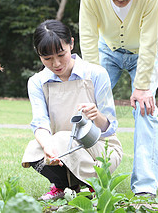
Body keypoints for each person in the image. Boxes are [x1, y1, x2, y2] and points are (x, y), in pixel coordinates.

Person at [79, 0, 158, 197]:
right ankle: (84, 177)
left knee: (146, 109)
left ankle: (145, 187)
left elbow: (150, 41)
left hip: (144, 53)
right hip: (107, 50)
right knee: (87, 104)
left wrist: (142, 86)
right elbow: (87, 35)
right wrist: (91, 83)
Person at [21, 19, 123, 201]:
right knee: (34, 149)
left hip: (100, 148)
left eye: (61, 54)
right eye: (47, 59)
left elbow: (110, 127)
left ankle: (95, 184)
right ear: (38, 55)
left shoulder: (96, 74)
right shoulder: (37, 82)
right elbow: (40, 123)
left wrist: (97, 115)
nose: (56, 63)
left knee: (59, 138)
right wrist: (47, 147)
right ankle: (65, 186)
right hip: (65, 149)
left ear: (71, 44)